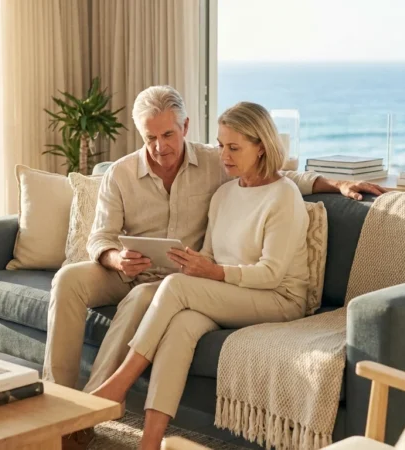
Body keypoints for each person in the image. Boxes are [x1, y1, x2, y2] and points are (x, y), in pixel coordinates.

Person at [43, 85, 384, 446]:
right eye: (150, 137)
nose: (160, 146)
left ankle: (114, 387)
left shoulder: (234, 173)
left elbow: (279, 189)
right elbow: (104, 237)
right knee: (86, 286)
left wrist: (335, 182)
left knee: (167, 297)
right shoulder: (199, 185)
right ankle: (120, 430)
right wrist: (116, 258)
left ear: (186, 126)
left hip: (238, 289)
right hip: (145, 274)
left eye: (168, 135)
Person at [87, 101, 311, 448]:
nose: (224, 156)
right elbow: (207, 254)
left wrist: (213, 272)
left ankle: (118, 384)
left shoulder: (284, 196)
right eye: (221, 145)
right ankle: (150, 442)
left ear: (262, 147)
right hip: (235, 293)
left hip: (279, 298)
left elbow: (271, 274)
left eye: (235, 148)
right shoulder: (223, 194)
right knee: (181, 326)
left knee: (175, 287)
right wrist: (193, 263)